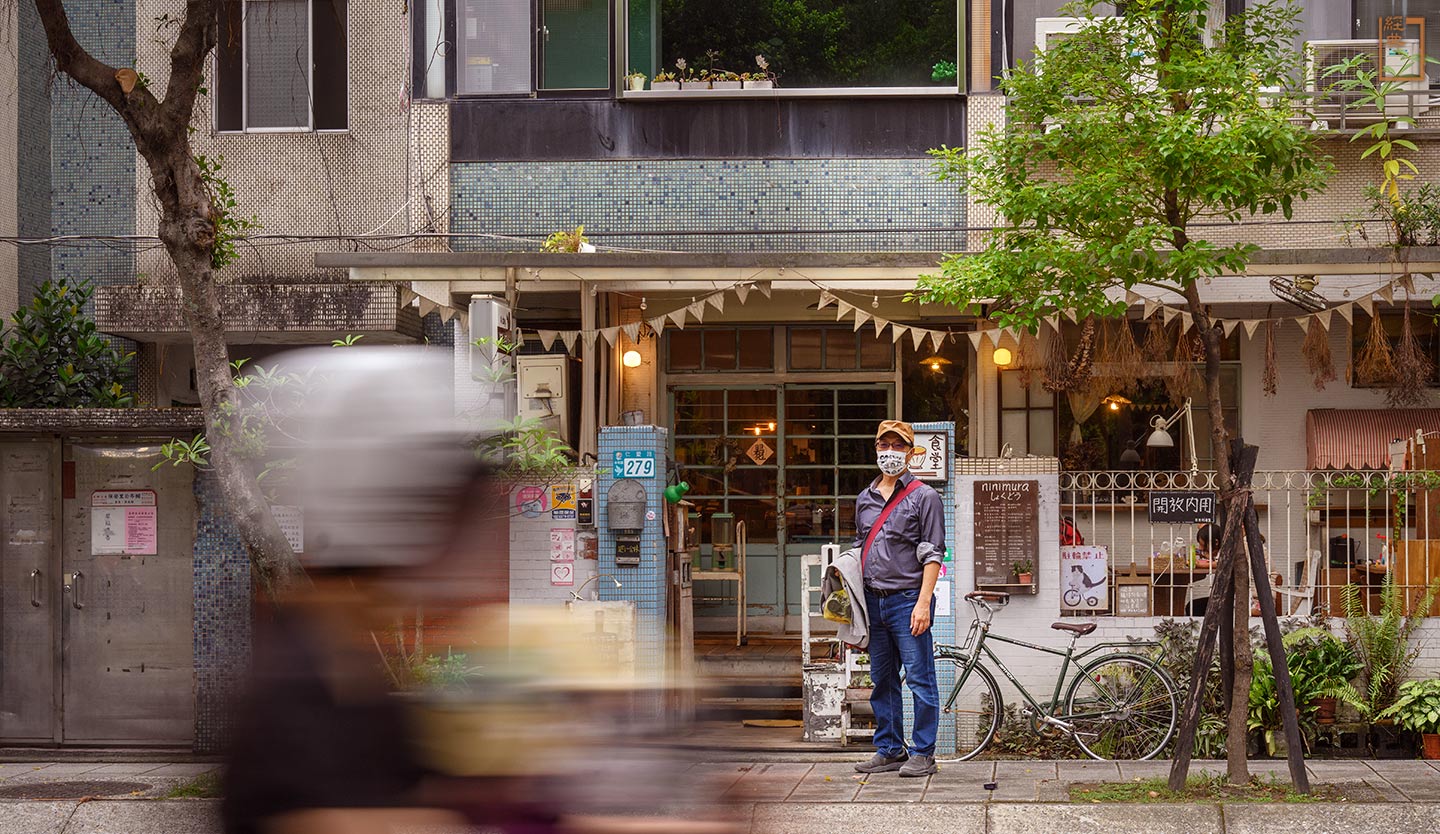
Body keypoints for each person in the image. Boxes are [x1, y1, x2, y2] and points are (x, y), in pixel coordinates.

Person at [851, 420, 946, 779]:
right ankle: (890, 748)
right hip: (873, 602)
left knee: (920, 678)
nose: (889, 452)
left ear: (910, 452)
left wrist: (923, 603)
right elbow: (861, 547)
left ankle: (924, 753)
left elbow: (934, 554)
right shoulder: (865, 498)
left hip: (908, 600)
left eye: (898, 446)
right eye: (883, 445)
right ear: (876, 449)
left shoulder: (925, 497)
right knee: (882, 678)